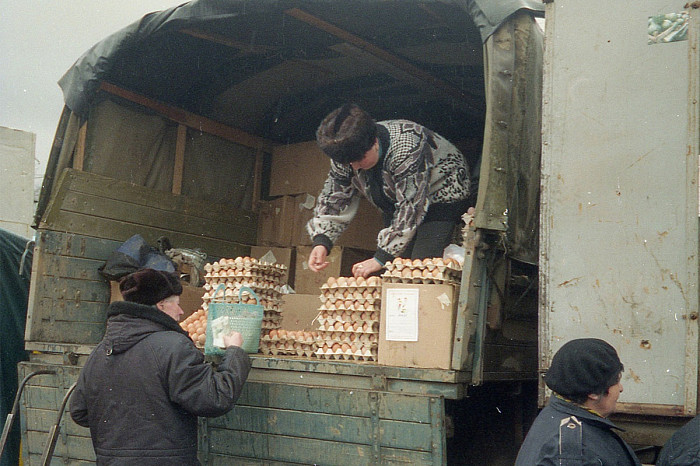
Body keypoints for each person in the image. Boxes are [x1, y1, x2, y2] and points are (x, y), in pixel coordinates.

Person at [70, 268, 251, 465]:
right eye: (177, 304)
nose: (181, 312)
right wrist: (234, 351)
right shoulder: (174, 346)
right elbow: (215, 398)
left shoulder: (100, 351)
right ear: (161, 306)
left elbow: (80, 412)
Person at [306, 103, 472, 278]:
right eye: (349, 163)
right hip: (393, 199)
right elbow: (334, 196)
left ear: (375, 142)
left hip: (442, 193)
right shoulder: (346, 154)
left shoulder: (406, 146)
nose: (355, 167)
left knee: (422, 268)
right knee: (396, 269)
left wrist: (380, 258)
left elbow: (411, 206)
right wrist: (322, 241)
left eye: (359, 159)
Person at [515, 338, 641, 465]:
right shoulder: (576, 453)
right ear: (593, 393)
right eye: (616, 382)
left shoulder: (554, 414)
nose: (621, 388)